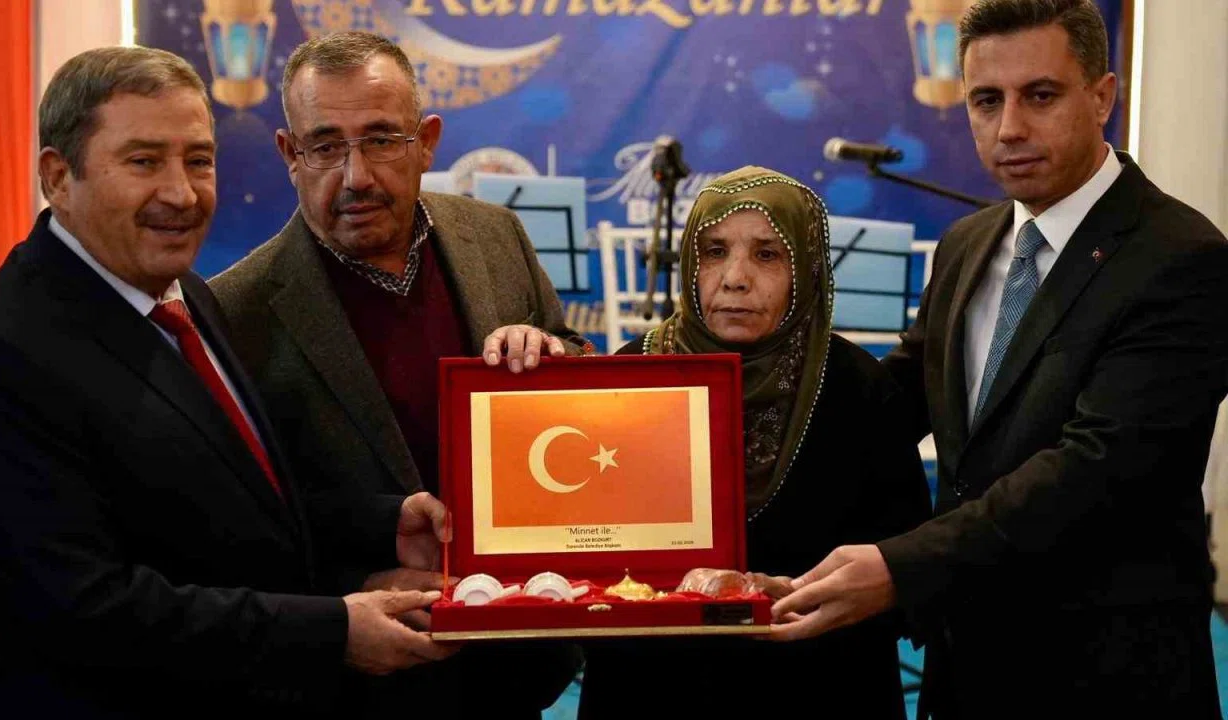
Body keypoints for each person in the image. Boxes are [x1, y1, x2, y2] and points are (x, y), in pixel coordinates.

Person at [0, 46, 458, 719]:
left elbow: (238, 497)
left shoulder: (183, 290)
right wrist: (331, 630)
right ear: (58, 176)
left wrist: (383, 525)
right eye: (143, 161)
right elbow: (82, 610)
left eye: (198, 160)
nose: (182, 194)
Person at [771, 1, 1228, 717]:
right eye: (987, 100)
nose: (1009, 127)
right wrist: (738, 395)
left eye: (1040, 96)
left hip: (1107, 675)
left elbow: (1099, 468)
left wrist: (901, 566)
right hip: (966, 660)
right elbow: (893, 403)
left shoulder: (1182, 257)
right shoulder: (968, 242)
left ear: (1102, 96)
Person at [208, 32, 583, 715]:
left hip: (519, 664)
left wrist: (552, 355)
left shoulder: (496, 236)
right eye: (325, 146)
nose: (356, 176)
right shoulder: (234, 311)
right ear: (290, 155)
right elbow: (238, 527)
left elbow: (577, 376)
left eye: (381, 140)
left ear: (427, 142)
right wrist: (349, 588)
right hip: (357, 689)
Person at [574, 166, 932, 717]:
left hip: (813, 682)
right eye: (714, 251)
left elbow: (898, 565)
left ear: (806, 270)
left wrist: (801, 592)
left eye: (767, 255)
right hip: (652, 684)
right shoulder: (632, 374)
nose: (735, 278)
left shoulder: (857, 387)